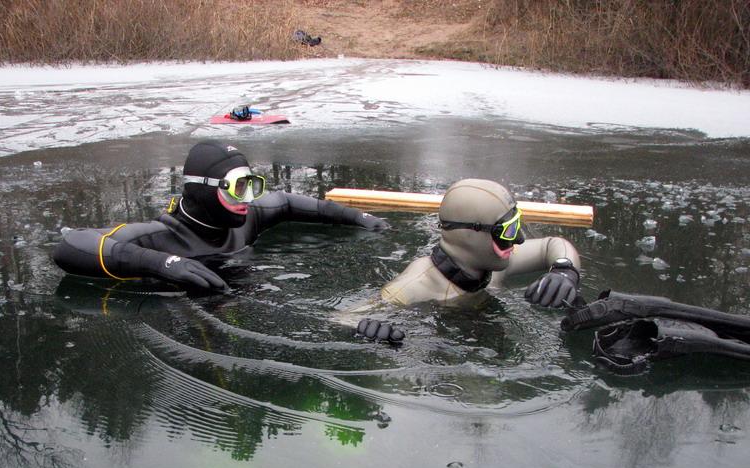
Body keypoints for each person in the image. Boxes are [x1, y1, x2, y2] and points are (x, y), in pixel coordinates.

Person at [53, 140, 388, 290]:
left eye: (251, 185)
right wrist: (163, 263)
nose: (247, 199)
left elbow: (286, 202)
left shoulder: (247, 220)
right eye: (236, 188)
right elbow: (71, 245)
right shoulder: (160, 237)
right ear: (202, 190)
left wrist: (359, 218)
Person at [357, 178, 582, 342]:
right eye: (508, 230)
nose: (519, 239)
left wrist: (564, 270)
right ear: (469, 235)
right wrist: (371, 330)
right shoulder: (413, 288)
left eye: (517, 223)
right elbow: (347, 318)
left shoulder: (492, 265)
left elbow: (551, 245)